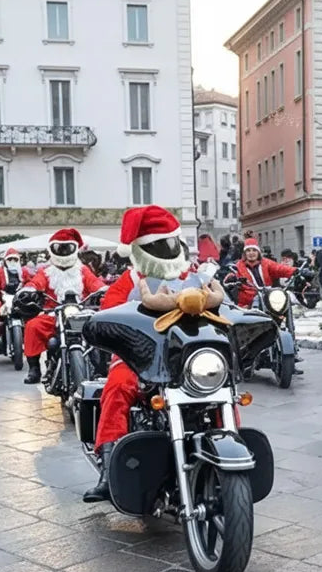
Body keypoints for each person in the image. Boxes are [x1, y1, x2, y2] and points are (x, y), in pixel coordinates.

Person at [83, 204, 225, 503]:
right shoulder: (130, 281)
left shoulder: (196, 277)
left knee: (221, 385)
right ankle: (109, 470)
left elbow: (225, 308)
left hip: (186, 358)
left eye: (172, 243)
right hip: (138, 357)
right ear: (142, 250)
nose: (169, 250)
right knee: (117, 387)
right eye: (160, 245)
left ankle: (229, 444)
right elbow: (109, 313)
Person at [18, 228, 105, 384]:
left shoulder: (82, 270)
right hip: (54, 312)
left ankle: (101, 367)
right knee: (32, 326)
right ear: (52, 249)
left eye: (67, 247)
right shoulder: (47, 272)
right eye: (59, 248)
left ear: (74, 248)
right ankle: (34, 368)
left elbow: (95, 283)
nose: (63, 251)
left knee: (103, 328)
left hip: (81, 312)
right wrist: (29, 290)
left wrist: (104, 290)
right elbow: (36, 282)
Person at [233, 237, 297, 309]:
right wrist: (231, 277)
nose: (251, 253)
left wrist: (295, 271)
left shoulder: (266, 263)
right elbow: (230, 274)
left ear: (258, 252)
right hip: (247, 304)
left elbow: (279, 268)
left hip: (269, 299)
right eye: (248, 251)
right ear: (244, 253)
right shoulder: (238, 266)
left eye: (254, 250)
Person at [0, 248, 30, 349]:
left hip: (20, 299)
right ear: (5, 261)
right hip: (2, 298)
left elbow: (30, 282)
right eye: (10, 259)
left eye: (15, 259)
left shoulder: (24, 271)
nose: (12, 262)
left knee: (33, 311)